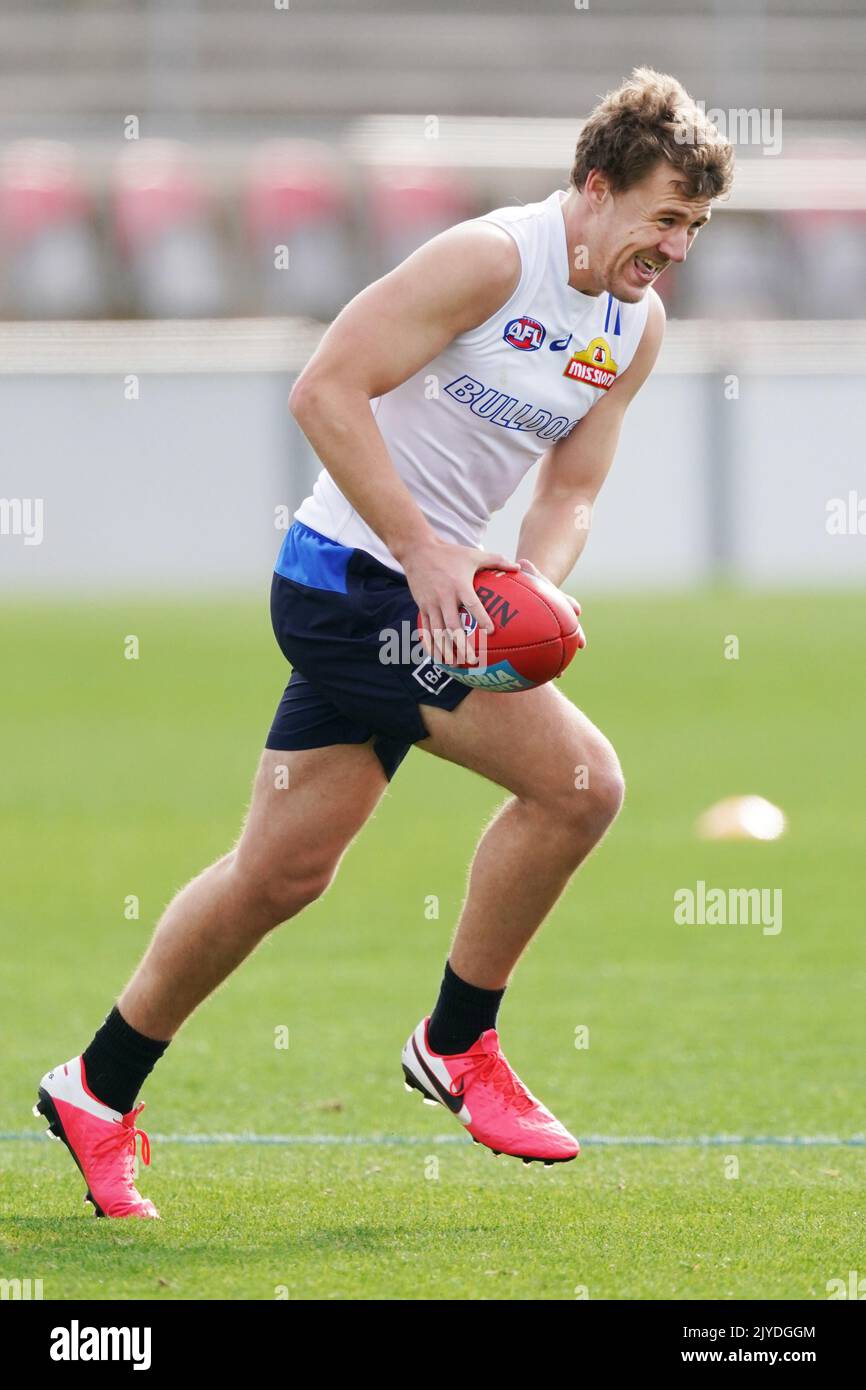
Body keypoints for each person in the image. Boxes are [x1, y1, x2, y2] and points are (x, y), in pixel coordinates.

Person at [34, 68, 733, 1216]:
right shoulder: (489, 259)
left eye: (694, 227)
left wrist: (531, 592)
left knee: (280, 873)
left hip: (433, 597)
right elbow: (323, 389)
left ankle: (94, 1089)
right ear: (595, 188)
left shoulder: (633, 323)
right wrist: (427, 552)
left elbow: (571, 489)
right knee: (578, 783)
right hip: (349, 581)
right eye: (662, 217)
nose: (676, 246)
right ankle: (456, 1043)